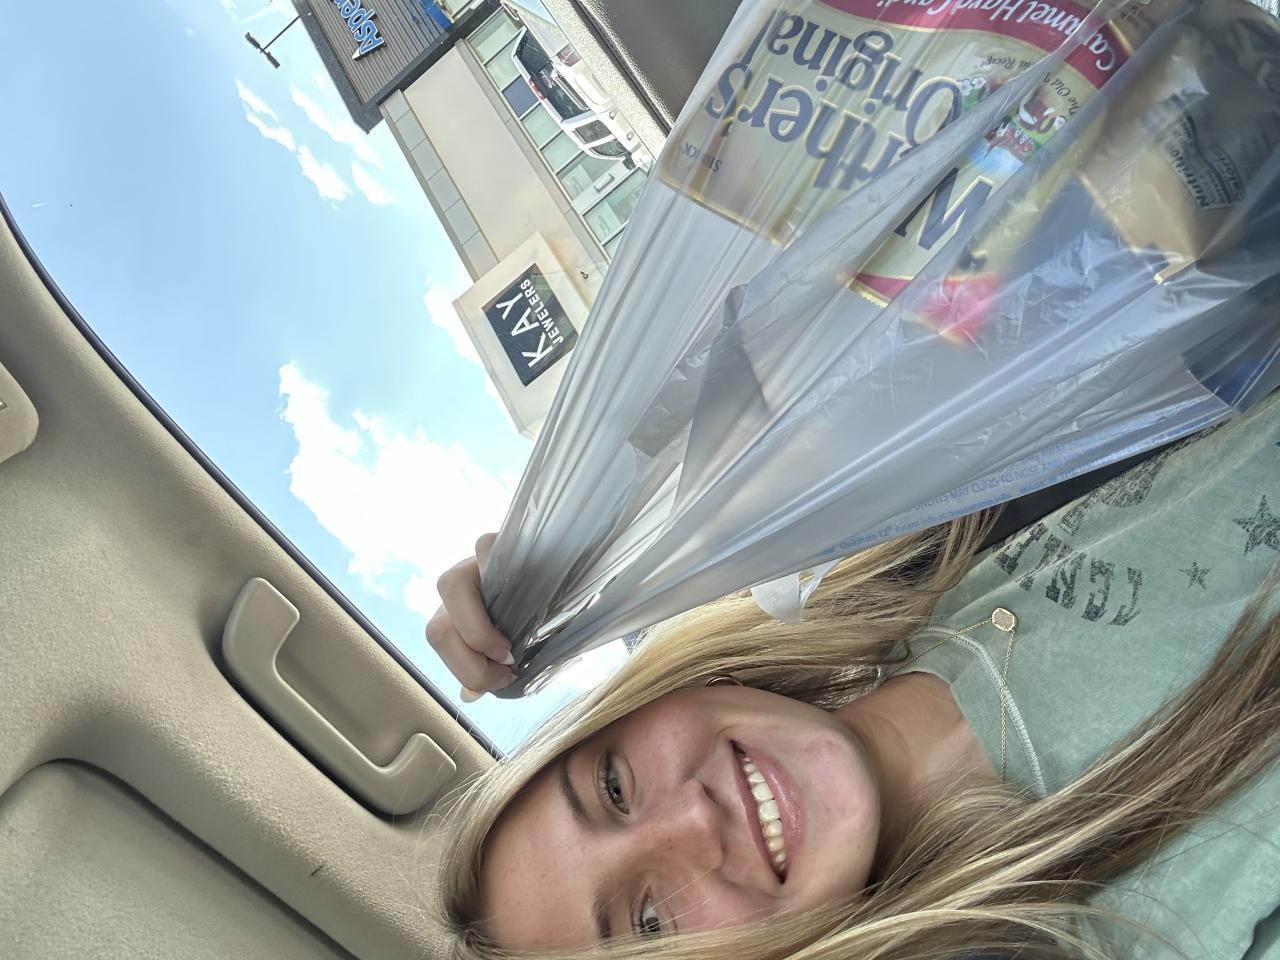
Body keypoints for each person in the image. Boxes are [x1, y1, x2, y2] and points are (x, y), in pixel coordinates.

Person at [425, 392, 1280, 960]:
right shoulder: (1138, 925)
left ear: (634, 704)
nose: (692, 819)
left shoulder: (903, 535)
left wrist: (594, 551)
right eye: (650, 922)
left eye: (613, 785)